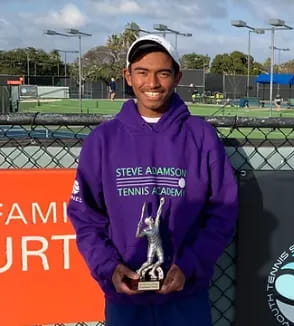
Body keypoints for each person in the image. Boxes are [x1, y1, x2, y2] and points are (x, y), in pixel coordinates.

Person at [67, 34, 238, 326]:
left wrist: (189, 265)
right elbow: (85, 217)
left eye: (163, 73)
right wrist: (109, 268)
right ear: (128, 76)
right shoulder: (102, 140)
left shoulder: (201, 136)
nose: (153, 83)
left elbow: (223, 211)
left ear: (177, 77)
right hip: (126, 298)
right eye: (142, 72)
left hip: (186, 296)